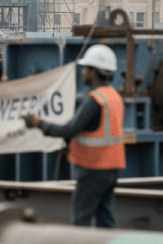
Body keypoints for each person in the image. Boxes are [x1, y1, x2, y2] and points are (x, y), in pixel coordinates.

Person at [24, 45, 125, 227]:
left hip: (93, 169)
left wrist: (40, 123)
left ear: (95, 72)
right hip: (110, 170)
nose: (83, 72)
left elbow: (69, 130)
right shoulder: (114, 97)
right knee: (105, 219)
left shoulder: (95, 100)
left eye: (86, 69)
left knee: (81, 219)